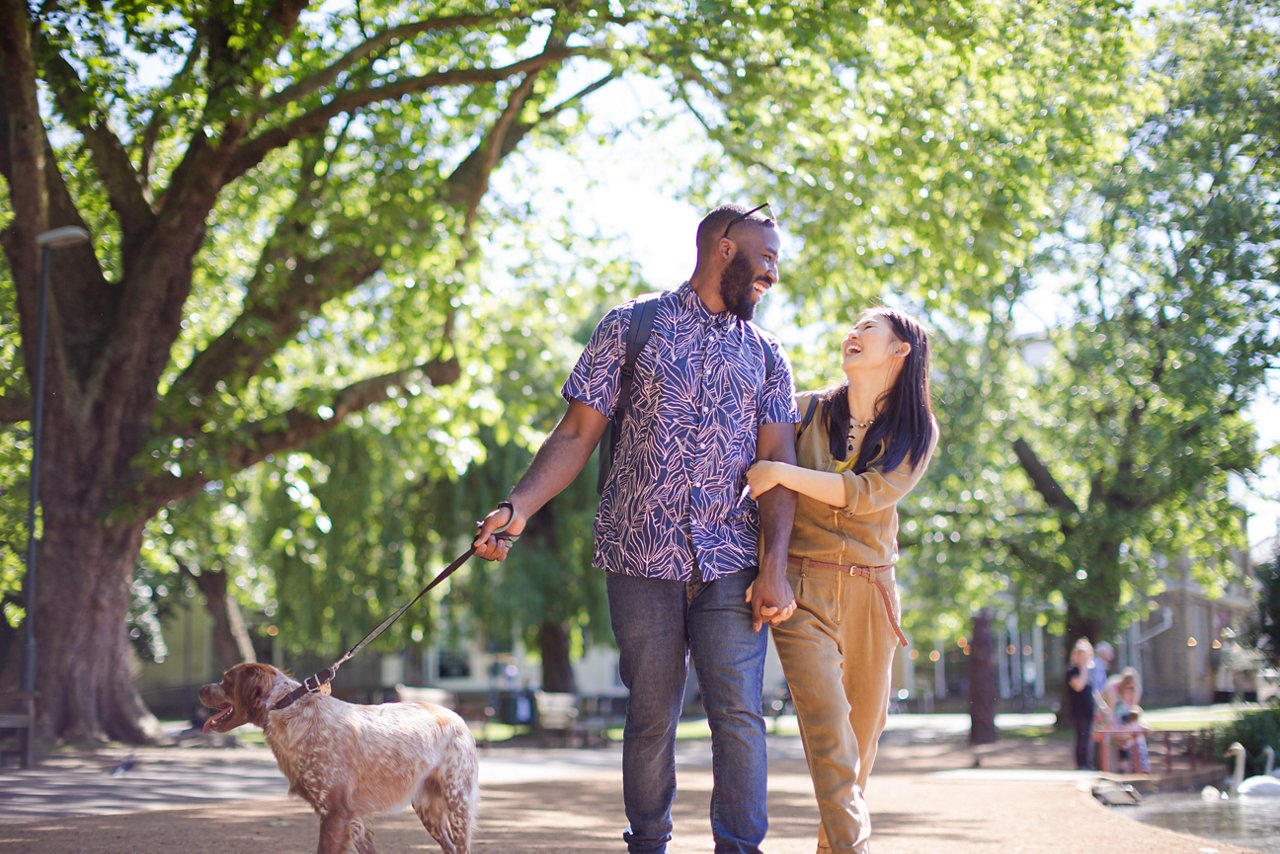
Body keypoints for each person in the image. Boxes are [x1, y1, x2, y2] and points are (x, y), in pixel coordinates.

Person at [473, 203, 800, 853]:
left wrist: (775, 568)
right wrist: (519, 508)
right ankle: (647, 843)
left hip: (729, 560)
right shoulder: (632, 327)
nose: (773, 275)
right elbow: (575, 434)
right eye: (766, 260)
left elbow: (779, 467)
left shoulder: (767, 357)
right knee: (652, 715)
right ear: (724, 249)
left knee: (738, 713)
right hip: (638, 555)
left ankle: (741, 848)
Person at [745, 307, 938, 853]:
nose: (852, 335)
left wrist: (782, 472)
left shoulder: (916, 430)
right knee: (833, 743)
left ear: (900, 350)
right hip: (800, 591)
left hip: (871, 598)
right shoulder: (800, 412)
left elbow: (867, 495)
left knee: (859, 755)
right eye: (850, 327)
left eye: (867, 329)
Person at [1101, 667, 1149, 773]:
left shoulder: (1136, 689)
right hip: (1113, 718)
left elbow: (1133, 710)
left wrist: (1130, 724)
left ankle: (1140, 765)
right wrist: (1117, 726)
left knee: (1135, 735)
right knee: (1116, 736)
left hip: (1126, 718)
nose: (1129, 689)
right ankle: (1117, 767)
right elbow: (1110, 711)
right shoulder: (1113, 688)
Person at [1066, 637, 1097, 770]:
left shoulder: (1088, 672)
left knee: (1089, 738)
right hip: (1078, 710)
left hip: (1088, 709)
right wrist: (1083, 667)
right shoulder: (1072, 672)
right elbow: (1079, 686)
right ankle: (1082, 764)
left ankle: (1088, 762)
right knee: (1081, 737)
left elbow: (1093, 692)